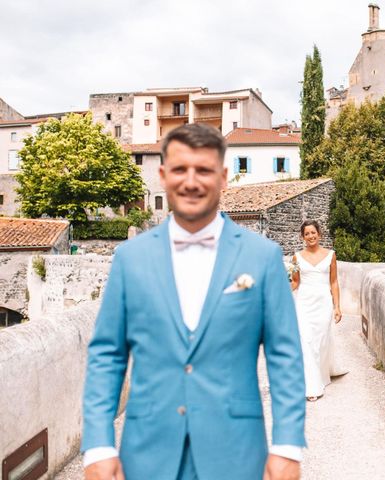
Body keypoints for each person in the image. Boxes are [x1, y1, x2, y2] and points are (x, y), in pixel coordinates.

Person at [81, 123, 306, 480]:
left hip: (237, 451)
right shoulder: (129, 258)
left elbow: (285, 355)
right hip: (147, 453)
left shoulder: (263, 257)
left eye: (203, 170)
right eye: (180, 169)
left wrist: (288, 446)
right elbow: (107, 355)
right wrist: (98, 446)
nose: (191, 181)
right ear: (163, 175)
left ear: (223, 177)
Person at [290, 220, 347, 402]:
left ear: (319, 234)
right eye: (307, 234)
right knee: (306, 341)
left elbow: (334, 282)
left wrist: (337, 306)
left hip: (323, 304)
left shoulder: (331, 255)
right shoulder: (296, 257)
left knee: (320, 341)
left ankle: (322, 374)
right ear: (303, 237)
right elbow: (295, 282)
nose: (311, 236)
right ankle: (312, 386)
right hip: (303, 303)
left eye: (313, 232)